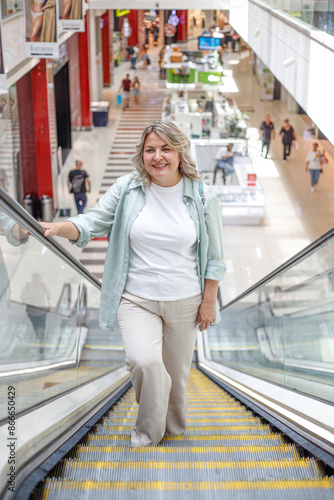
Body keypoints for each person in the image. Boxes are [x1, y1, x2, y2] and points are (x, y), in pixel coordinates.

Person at [39, 120, 226, 448]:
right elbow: (92, 221)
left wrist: (209, 299)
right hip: (135, 297)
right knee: (144, 362)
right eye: (150, 149)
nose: (158, 157)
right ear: (142, 154)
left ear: (180, 152)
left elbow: (214, 255)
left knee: (176, 378)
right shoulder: (128, 188)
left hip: (185, 299)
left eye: (166, 149)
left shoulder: (201, 194)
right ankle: (147, 435)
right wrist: (59, 226)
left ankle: (174, 429)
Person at [21, 273, 51, 358]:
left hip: (42, 312)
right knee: (34, 331)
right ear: (34, 279)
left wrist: (49, 305)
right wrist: (34, 298)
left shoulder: (43, 286)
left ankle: (41, 350)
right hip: (31, 313)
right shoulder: (27, 286)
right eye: (38, 279)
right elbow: (23, 300)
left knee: (41, 331)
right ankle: (33, 349)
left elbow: (49, 296)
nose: (39, 281)